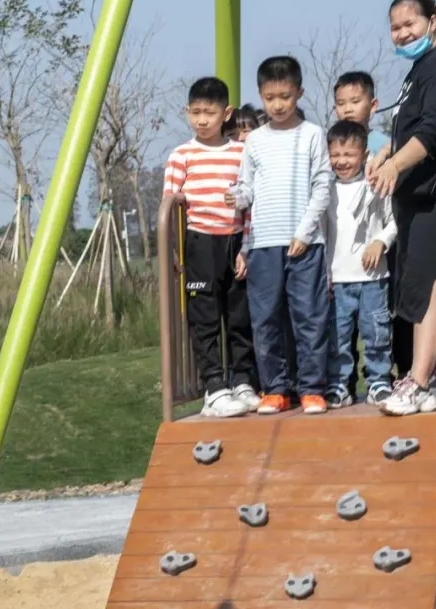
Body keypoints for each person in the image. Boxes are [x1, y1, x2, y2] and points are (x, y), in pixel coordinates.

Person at [368, 0, 436, 415]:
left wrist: (397, 165)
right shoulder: (420, 69)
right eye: (396, 28)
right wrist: (387, 154)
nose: (403, 33)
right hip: (419, 197)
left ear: (433, 19)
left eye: (410, 24)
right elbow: (413, 128)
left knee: (429, 283)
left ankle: (419, 380)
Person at [226, 55, 333, 414]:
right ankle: (275, 388)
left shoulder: (313, 134)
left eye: (285, 96)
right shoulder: (254, 140)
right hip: (262, 244)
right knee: (266, 318)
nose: (277, 104)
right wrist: (236, 196)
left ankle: (312, 388)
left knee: (309, 316)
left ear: (299, 93)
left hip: (305, 243)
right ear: (260, 94)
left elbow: (322, 186)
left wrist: (305, 231)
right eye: (270, 97)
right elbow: (247, 189)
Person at [163, 77, 257, 417]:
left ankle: (243, 380)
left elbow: (250, 202)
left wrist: (246, 246)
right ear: (187, 112)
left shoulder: (241, 152)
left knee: (239, 315)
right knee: (204, 317)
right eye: (195, 112)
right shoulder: (181, 156)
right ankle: (214, 388)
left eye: (210, 112)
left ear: (226, 113)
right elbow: (170, 205)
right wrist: (176, 251)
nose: (202, 120)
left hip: (234, 242)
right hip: (199, 242)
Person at [333, 69, 413, 383]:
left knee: (383, 316)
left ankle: (390, 373)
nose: (348, 108)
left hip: (383, 243)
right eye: (341, 102)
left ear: (373, 103)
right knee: (341, 322)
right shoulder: (333, 147)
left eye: (356, 100)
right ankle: (342, 381)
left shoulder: (385, 144)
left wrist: (387, 153)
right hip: (341, 257)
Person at [324, 120, 397, 407]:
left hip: (373, 279)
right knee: (338, 337)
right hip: (338, 279)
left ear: (365, 154)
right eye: (336, 155)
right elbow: (325, 236)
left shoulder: (375, 186)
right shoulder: (326, 191)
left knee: (376, 333)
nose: (342, 162)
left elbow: (393, 223)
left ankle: (379, 381)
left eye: (349, 155)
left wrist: (380, 242)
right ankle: (340, 384)